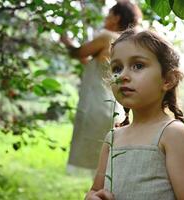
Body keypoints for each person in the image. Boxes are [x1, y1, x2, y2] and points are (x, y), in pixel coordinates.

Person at [85, 29, 184, 200]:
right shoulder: (112, 138)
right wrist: (92, 197)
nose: (123, 76)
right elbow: (95, 190)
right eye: (117, 68)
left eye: (138, 66)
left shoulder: (173, 134)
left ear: (168, 80)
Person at [60, 1, 142, 174]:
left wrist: (67, 42)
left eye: (109, 14)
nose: (105, 17)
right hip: (113, 106)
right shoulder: (126, 44)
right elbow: (98, 65)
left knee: (98, 163)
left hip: (96, 104)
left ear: (117, 17)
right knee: (109, 163)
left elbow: (79, 52)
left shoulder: (106, 37)